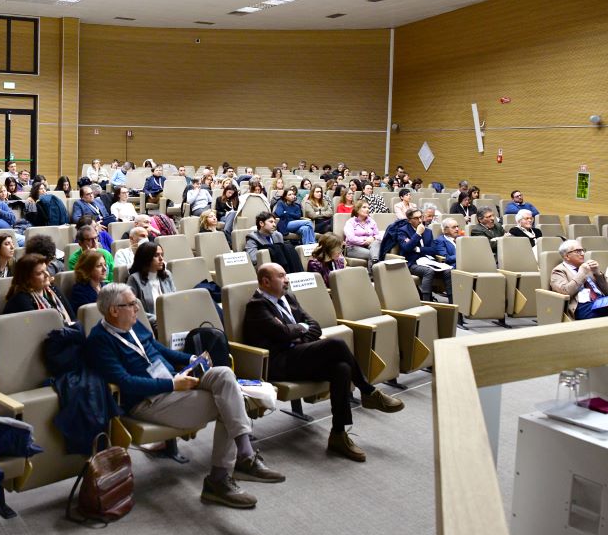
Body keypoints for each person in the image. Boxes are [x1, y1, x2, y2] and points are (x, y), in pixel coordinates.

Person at [86, 283, 284, 509]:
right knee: (229, 402)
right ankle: (221, 478)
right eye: (132, 304)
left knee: (224, 374)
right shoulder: (99, 341)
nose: (137, 309)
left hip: (174, 383)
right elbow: (125, 383)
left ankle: (244, 455)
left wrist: (190, 359)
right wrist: (171, 384)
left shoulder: (133, 324)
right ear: (113, 310)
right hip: (148, 400)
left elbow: (157, 349)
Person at [243, 263, 404, 462]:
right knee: (336, 344)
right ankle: (367, 390)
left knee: (342, 368)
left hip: (299, 354)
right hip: (279, 363)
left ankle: (338, 434)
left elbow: (314, 327)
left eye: (286, 275)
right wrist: (297, 331)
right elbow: (282, 333)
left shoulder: (289, 298)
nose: (287, 280)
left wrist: (297, 333)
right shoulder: (257, 305)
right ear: (266, 281)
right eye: (281, 276)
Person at [396, 208, 452, 302]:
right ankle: (427, 302)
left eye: (421, 217)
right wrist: (418, 234)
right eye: (416, 218)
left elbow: (434, 250)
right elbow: (407, 248)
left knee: (448, 271)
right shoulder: (402, 231)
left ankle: (452, 303)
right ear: (409, 220)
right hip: (412, 262)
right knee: (428, 271)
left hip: (428, 261)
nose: (420, 220)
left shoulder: (428, 231)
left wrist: (418, 249)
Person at [3, 253, 75, 324]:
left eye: (46, 270)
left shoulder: (53, 289)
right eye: (40, 273)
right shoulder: (21, 300)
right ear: (27, 279)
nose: (47, 274)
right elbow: (39, 330)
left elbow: (73, 318)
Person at [550, 240, 608, 320]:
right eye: (578, 251)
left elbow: (607, 291)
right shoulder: (558, 271)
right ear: (567, 256)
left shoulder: (589, 268)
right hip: (582, 306)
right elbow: (565, 292)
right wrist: (581, 274)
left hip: (601, 301)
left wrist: (597, 273)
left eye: (582, 250)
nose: (582, 254)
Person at [126, 241, 175, 324]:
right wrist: (160, 320)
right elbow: (132, 309)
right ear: (146, 258)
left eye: (161, 255)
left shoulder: (167, 275)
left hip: (171, 320)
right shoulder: (134, 279)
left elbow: (175, 300)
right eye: (156, 255)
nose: (161, 259)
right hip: (150, 325)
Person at [343, 202, 381, 267]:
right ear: (357, 210)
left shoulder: (371, 221)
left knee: (377, 242)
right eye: (364, 207)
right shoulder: (350, 222)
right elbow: (351, 238)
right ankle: (373, 273)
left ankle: (374, 266)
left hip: (370, 246)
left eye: (368, 208)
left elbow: (378, 235)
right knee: (373, 254)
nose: (367, 209)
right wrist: (365, 240)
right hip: (353, 248)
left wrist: (373, 238)